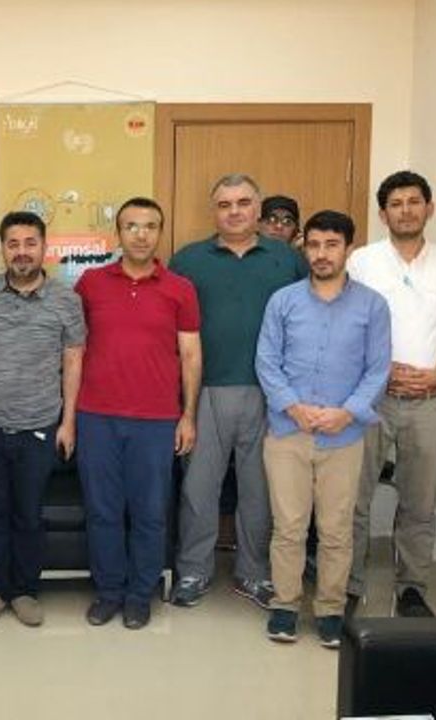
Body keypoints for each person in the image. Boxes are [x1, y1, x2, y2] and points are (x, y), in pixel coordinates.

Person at [168, 174, 307, 611]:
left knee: (259, 490)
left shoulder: (288, 260)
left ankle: (254, 572)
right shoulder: (188, 259)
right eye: (225, 204)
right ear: (214, 210)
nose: (234, 211)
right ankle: (193, 570)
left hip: (272, 393)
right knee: (198, 488)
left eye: (243, 202)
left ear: (257, 208)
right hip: (205, 390)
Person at [256, 210, 390, 647]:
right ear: (304, 247)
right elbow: (267, 361)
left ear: (348, 248)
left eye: (331, 245)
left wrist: (346, 413)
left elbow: (377, 369)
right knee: (289, 526)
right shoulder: (283, 301)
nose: (321, 254)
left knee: (336, 529)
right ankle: (285, 605)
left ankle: (330, 609)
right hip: (287, 432)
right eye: (313, 245)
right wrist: (292, 406)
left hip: (343, 435)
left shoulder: (372, 305)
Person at [75, 196, 201, 630]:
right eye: (131, 226)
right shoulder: (90, 283)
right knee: (102, 511)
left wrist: (188, 416)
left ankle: (139, 595)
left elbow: (190, 355)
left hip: (156, 419)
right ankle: (109, 592)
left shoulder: (180, 288)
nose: (141, 234)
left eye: (150, 226)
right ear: (118, 233)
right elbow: (72, 349)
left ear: (160, 233)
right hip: (96, 416)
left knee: (149, 513)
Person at [345, 171, 436, 617]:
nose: (406, 210)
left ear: (429, 208)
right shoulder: (362, 261)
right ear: (383, 214)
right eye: (396, 204)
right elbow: (348, 324)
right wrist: (379, 370)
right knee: (354, 499)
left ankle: (412, 589)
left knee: (420, 502)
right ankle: (349, 585)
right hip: (371, 398)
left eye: (414, 202)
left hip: (429, 400)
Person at [0, 211, 85, 627]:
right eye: (13, 244)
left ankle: (25, 591)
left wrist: (68, 422)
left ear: (44, 247)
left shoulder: (66, 300)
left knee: (29, 514)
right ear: (3, 248)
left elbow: (73, 361)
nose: (22, 252)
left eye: (30, 243)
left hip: (39, 424)